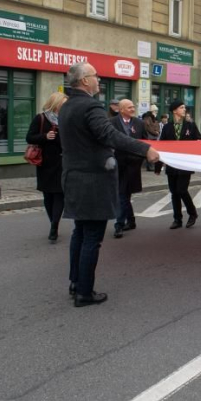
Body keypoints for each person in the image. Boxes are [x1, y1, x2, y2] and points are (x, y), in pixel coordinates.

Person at [59, 62, 159, 307]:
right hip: (93, 180)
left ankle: (75, 282)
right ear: (84, 81)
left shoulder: (66, 106)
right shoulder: (90, 106)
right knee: (92, 237)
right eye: (95, 75)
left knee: (80, 233)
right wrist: (145, 148)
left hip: (73, 177)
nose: (98, 79)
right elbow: (110, 135)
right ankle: (84, 292)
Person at [26, 92, 68, 243]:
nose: (65, 106)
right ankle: (52, 222)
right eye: (63, 103)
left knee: (60, 194)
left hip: (63, 162)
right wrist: (45, 136)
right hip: (45, 163)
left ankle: (54, 226)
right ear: (55, 103)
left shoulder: (67, 119)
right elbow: (29, 137)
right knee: (48, 195)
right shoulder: (41, 118)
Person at [159, 99, 201, 229]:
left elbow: (199, 142)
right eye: (182, 107)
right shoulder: (167, 127)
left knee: (182, 190)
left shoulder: (190, 126)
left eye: (184, 107)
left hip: (185, 164)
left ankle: (192, 213)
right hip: (171, 164)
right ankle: (177, 219)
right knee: (174, 192)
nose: (184, 110)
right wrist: (158, 166)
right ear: (174, 110)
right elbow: (161, 147)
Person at [110, 99, 147, 239]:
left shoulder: (139, 123)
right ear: (121, 109)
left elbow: (145, 141)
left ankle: (130, 221)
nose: (133, 109)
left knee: (125, 195)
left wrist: (141, 159)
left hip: (133, 165)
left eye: (133, 106)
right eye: (129, 107)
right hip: (117, 164)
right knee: (121, 194)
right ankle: (119, 224)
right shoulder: (112, 122)